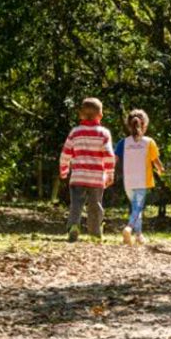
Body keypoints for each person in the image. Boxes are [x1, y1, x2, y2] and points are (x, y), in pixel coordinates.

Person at [59, 98, 115, 242]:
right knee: (95, 205)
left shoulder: (75, 132)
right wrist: (110, 173)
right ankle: (95, 233)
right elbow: (108, 155)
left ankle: (73, 227)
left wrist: (64, 170)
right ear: (100, 116)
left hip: (78, 176)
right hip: (96, 177)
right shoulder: (103, 133)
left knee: (76, 203)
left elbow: (66, 153)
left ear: (80, 115)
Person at [115, 109, 164, 246]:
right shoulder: (149, 142)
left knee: (136, 208)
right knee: (137, 209)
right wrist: (161, 169)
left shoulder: (122, 143)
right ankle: (129, 228)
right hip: (142, 181)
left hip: (128, 182)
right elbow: (156, 161)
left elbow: (114, 160)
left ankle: (139, 235)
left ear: (129, 125)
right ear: (145, 125)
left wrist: (108, 172)